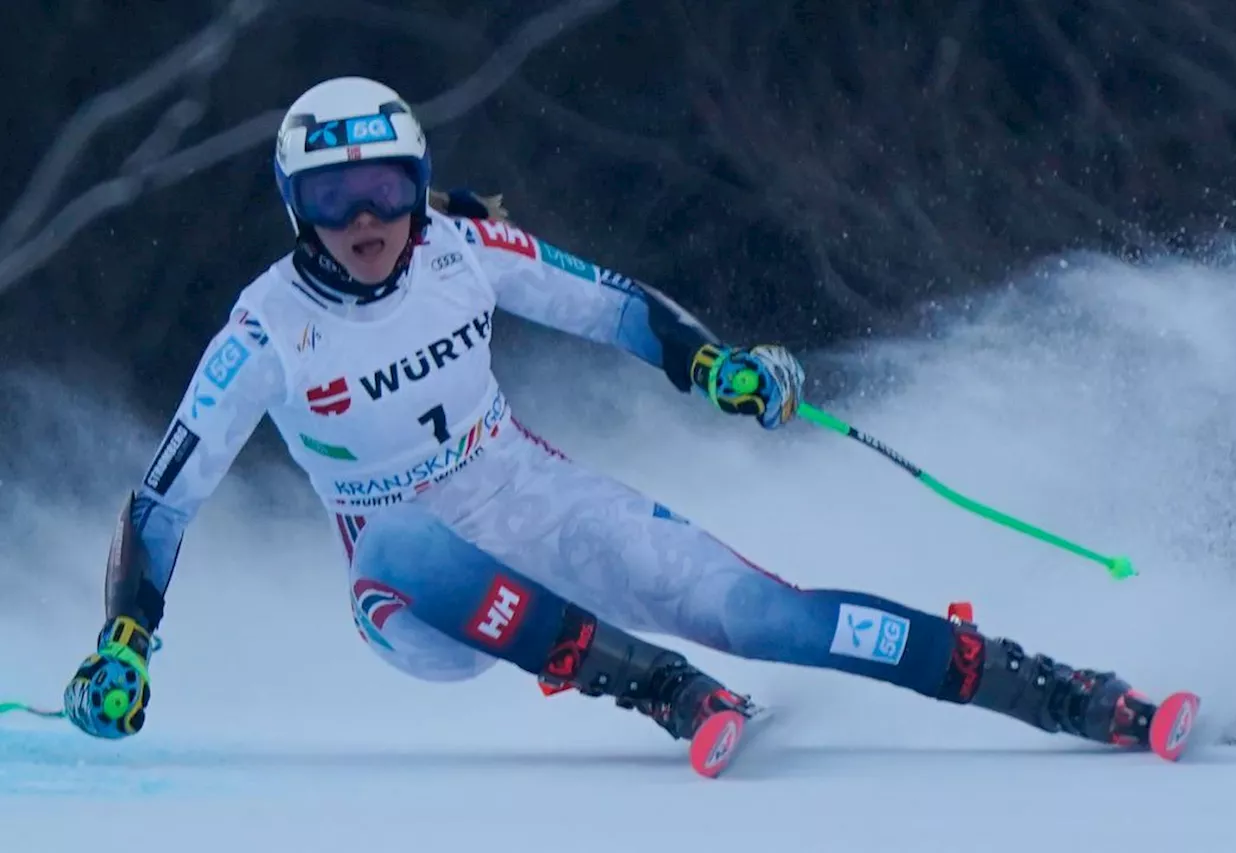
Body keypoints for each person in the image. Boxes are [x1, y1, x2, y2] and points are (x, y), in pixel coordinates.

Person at [63, 76, 1164, 761]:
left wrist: (714, 368)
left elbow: (617, 307)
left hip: (529, 497)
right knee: (400, 532)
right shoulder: (262, 329)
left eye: (390, 190)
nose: (368, 221)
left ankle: (1056, 690)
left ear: (420, 186)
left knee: (763, 612)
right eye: (334, 200)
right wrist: (127, 642)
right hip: (412, 597)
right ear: (294, 208)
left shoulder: (463, 249)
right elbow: (164, 497)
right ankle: (659, 688)